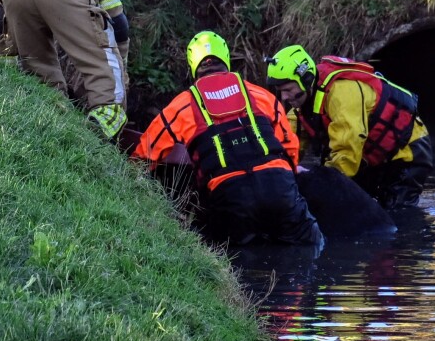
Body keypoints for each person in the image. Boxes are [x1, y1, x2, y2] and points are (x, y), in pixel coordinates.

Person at [132, 32, 322, 248]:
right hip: (279, 188)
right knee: (310, 247)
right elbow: (289, 144)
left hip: (230, 197)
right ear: (226, 60)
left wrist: (129, 176)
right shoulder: (259, 94)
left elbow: (147, 150)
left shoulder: (184, 103)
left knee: (240, 267)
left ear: (193, 66)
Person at [264, 45, 434, 209]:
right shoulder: (300, 108)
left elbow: (347, 153)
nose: (284, 98)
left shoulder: (343, 93)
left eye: (287, 89)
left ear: (306, 79)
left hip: (406, 154)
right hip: (370, 159)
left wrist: (318, 180)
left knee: (396, 214)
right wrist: (277, 176)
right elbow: (287, 146)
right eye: (280, 91)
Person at [0, 0, 129, 138]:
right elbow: (118, 22)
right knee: (98, 58)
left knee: (35, 62)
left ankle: (51, 109)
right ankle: (106, 121)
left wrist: (5, 48)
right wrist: (121, 62)